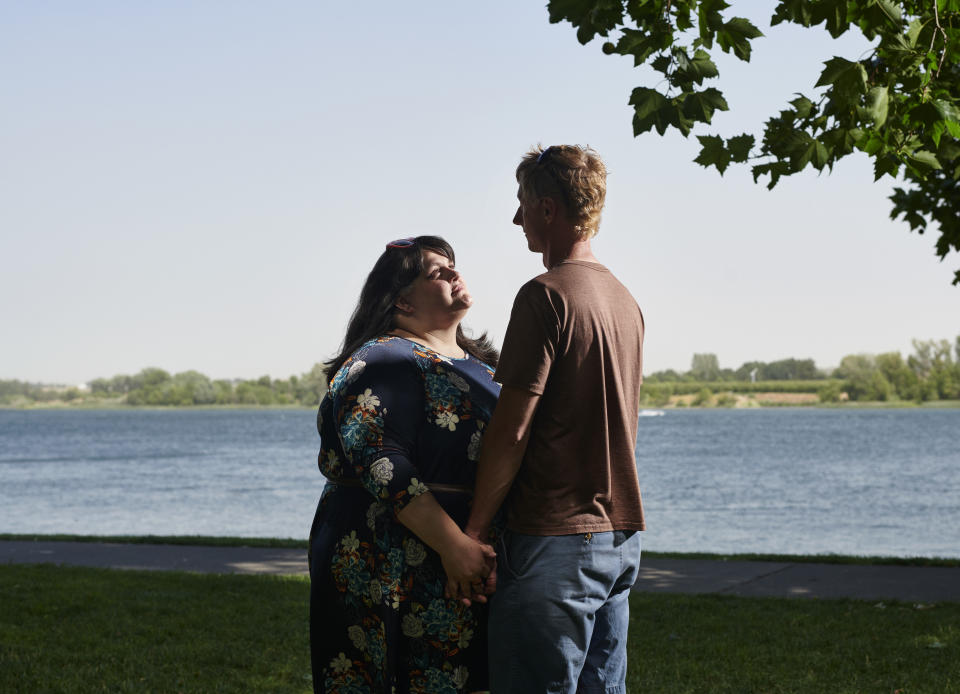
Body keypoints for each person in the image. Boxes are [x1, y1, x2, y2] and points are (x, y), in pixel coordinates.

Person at [461, 145, 647, 694]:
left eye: (521, 204)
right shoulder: (623, 299)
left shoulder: (545, 296)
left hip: (554, 540)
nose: (516, 219)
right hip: (618, 539)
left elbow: (513, 429)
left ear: (548, 209)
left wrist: (474, 531)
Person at [309, 235, 501, 694]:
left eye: (454, 265)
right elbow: (381, 462)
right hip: (385, 562)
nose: (455, 274)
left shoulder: (488, 369)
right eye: (437, 272)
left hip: (468, 562)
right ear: (400, 301)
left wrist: (475, 547)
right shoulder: (381, 360)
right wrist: (454, 546)